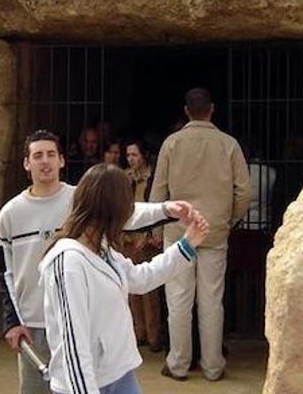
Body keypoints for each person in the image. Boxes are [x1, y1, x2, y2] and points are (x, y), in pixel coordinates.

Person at [0, 130, 198, 394]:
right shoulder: (13, 214)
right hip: (34, 323)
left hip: (103, 357)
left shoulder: (82, 209)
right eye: (37, 156)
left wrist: (166, 212)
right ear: (26, 163)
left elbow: (128, 220)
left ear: (61, 160)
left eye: (50, 154)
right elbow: (5, 272)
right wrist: (12, 320)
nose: (44, 161)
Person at [39, 163, 210, 394]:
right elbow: (73, 347)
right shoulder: (68, 263)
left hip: (119, 375)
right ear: (113, 211)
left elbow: (141, 278)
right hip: (85, 385)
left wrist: (186, 245)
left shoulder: (102, 249)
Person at [151, 87, 251, 382]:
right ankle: (213, 366)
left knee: (179, 301)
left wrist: (157, 226)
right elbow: (244, 191)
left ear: (186, 111)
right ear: (212, 109)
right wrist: (229, 219)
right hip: (214, 232)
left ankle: (179, 364)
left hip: (179, 231)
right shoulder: (228, 144)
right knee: (211, 301)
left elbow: (158, 190)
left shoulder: (172, 143)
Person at [122, 140, 163, 352]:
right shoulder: (125, 178)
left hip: (145, 240)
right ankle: (139, 333)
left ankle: (154, 334)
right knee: (131, 291)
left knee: (149, 290)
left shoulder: (152, 177)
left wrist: (148, 236)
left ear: (143, 156)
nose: (131, 159)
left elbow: (153, 207)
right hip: (128, 239)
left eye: (135, 154)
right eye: (128, 155)